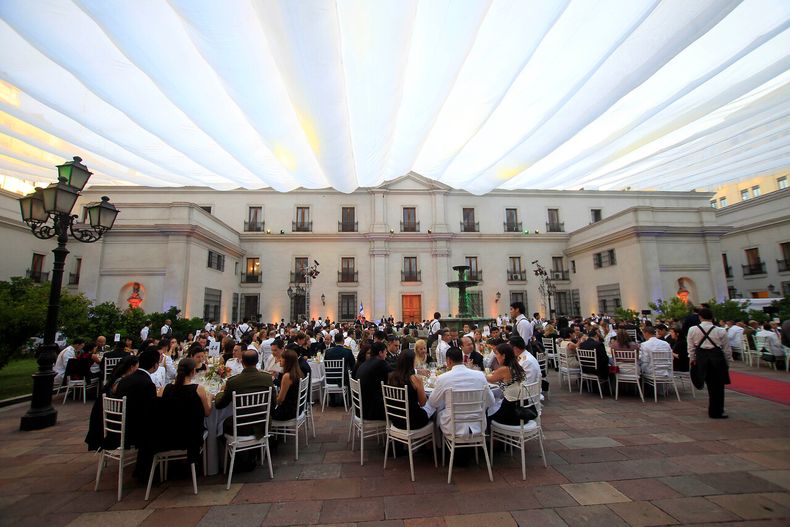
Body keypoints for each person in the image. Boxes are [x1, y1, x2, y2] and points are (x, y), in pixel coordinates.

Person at [427, 347, 495, 437]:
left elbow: (433, 402)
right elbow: (491, 402)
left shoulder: (443, 378)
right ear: (462, 358)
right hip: (478, 424)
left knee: (439, 413)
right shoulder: (480, 375)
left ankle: (439, 447)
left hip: (453, 427)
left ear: (448, 360)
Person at [156, 358, 212, 466]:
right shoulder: (198, 389)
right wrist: (209, 398)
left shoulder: (165, 389)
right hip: (191, 437)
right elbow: (207, 413)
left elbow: (158, 409)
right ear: (193, 372)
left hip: (166, 436)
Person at [85, 355, 139, 451]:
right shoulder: (121, 383)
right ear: (132, 367)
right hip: (120, 429)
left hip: (110, 425)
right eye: (138, 366)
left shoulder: (115, 380)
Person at [215, 350, 274, 436]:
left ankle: (224, 447)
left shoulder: (233, 381)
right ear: (257, 361)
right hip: (262, 423)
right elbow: (273, 404)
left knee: (222, 424)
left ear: (242, 362)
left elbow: (219, 404)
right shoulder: (268, 378)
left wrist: (219, 393)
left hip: (240, 427)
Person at [687, 308, 733, 419]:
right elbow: (727, 349)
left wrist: (692, 359)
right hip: (716, 357)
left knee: (707, 383)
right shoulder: (720, 330)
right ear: (712, 317)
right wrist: (727, 362)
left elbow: (691, 348)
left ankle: (714, 409)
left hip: (702, 358)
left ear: (700, 317)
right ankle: (717, 410)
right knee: (718, 386)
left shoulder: (693, 330)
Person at [387, 349, 430, 429]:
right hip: (413, 421)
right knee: (433, 408)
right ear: (412, 362)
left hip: (396, 419)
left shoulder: (391, 377)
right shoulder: (416, 379)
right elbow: (422, 403)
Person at [485, 343, 526, 426]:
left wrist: (478, 374)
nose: (496, 356)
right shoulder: (516, 366)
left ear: (503, 356)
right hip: (522, 409)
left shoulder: (504, 369)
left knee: (486, 414)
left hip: (511, 413)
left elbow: (490, 379)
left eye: (496, 354)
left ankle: (492, 436)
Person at [354, 342, 390, 421]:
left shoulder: (364, 363)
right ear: (380, 353)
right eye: (385, 351)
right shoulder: (380, 363)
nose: (386, 354)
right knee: (401, 407)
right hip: (370, 412)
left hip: (359, 409)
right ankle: (396, 431)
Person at [271, 349, 303, 421]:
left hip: (288, 412)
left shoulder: (287, 376)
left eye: (282, 358)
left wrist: (270, 401)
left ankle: (270, 430)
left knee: (263, 412)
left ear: (287, 361)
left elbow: (280, 400)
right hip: (297, 408)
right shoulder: (298, 373)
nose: (279, 360)